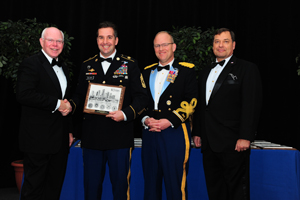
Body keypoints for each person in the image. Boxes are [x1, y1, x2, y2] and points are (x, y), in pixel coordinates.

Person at [70, 21, 148, 200]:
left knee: (120, 188)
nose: (105, 41)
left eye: (109, 37)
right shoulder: (87, 65)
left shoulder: (130, 64)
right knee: (91, 188)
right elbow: (79, 96)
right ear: (97, 40)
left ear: (116, 40)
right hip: (91, 138)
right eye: (101, 37)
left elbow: (142, 98)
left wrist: (126, 113)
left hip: (119, 138)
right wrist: (69, 105)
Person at [192, 28, 262, 200]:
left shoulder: (247, 69)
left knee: (237, 191)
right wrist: (198, 132)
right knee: (215, 189)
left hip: (234, 142)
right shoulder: (205, 72)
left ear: (234, 45)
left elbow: (251, 104)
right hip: (209, 143)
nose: (220, 45)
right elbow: (202, 106)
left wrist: (245, 136)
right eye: (217, 41)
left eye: (225, 41)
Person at [16, 27, 74, 200]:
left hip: (60, 139)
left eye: (59, 41)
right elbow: (24, 94)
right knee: (33, 189)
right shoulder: (31, 63)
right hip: (37, 140)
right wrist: (57, 104)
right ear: (41, 42)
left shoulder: (62, 66)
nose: (55, 45)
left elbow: (66, 100)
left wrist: (69, 130)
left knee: (54, 188)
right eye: (51, 40)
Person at [141, 31, 198, 200]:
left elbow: (192, 101)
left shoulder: (187, 70)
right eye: (157, 45)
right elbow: (140, 100)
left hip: (175, 133)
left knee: (175, 186)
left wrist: (170, 120)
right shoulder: (146, 71)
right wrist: (145, 119)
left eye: (165, 44)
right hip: (150, 134)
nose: (161, 48)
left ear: (173, 47)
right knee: (150, 186)